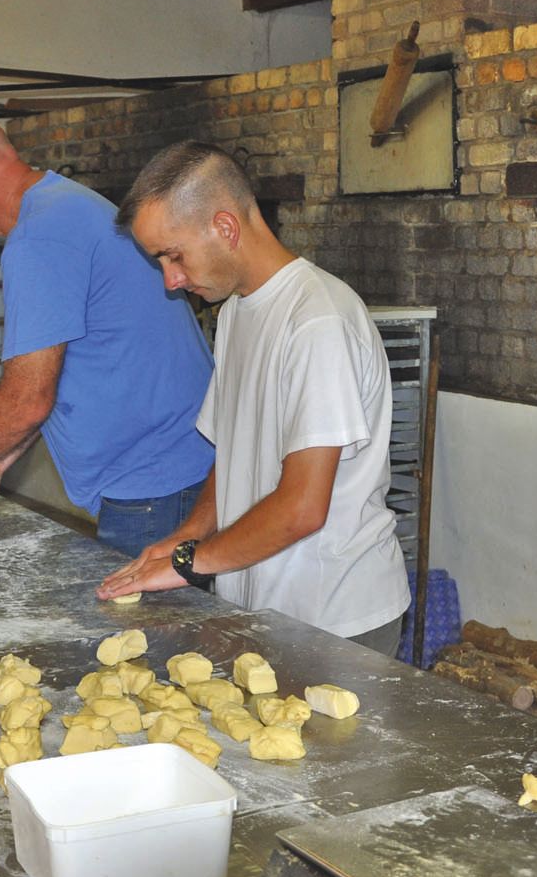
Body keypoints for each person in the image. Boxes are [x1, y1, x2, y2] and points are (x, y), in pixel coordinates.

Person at [95, 142, 409, 653]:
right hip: (260, 608)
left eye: (174, 255)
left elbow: (303, 507)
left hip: (333, 619)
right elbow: (234, 454)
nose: (171, 281)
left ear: (225, 227)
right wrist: (186, 537)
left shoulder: (317, 321)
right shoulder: (237, 311)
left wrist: (189, 564)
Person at [0, 105, 214, 555]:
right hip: (182, 473)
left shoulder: (37, 240)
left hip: (158, 488)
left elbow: (25, 400)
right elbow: (58, 375)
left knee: (148, 606)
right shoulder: (66, 205)